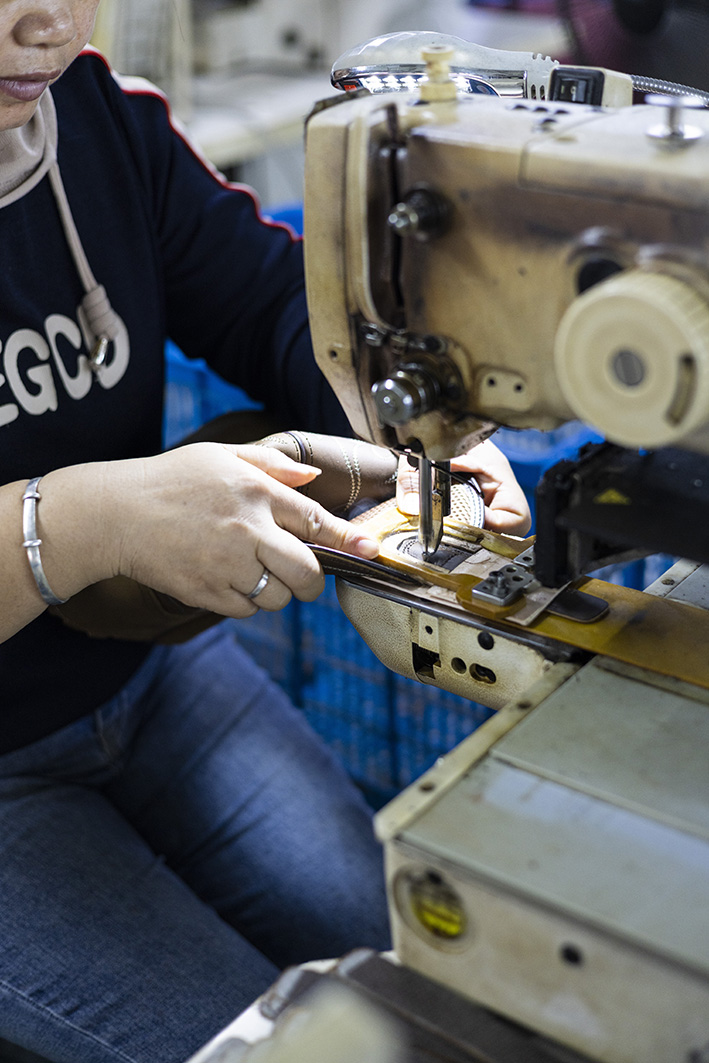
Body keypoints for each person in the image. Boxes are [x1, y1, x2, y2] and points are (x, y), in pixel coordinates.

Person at [0, 3, 531, 1062]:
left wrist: (423, 426)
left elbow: (278, 310)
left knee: (425, 983)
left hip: (151, 687)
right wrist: (90, 519)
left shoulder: (104, 122)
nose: (51, 21)